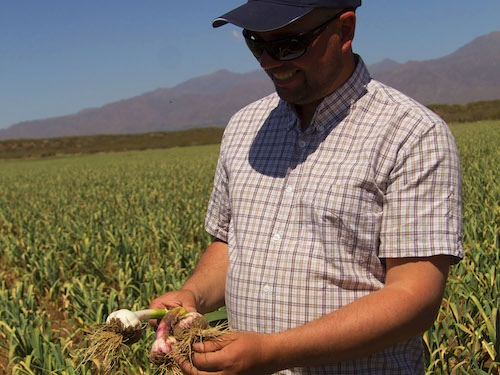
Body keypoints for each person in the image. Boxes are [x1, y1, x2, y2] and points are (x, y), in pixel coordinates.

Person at [150, 1, 463, 373]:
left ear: (345, 30)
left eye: (288, 44)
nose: (268, 61)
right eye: (256, 43)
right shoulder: (243, 127)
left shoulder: (412, 134)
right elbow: (230, 244)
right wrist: (193, 295)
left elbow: (415, 299)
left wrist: (272, 352)